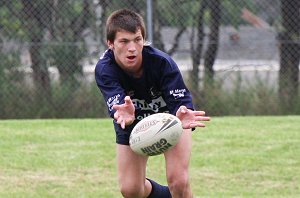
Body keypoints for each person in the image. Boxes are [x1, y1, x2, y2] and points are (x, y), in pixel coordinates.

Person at [95, 8, 210, 198]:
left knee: (179, 182)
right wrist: (125, 114)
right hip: (132, 124)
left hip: (171, 119)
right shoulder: (105, 69)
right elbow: (117, 105)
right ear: (111, 44)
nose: (132, 48)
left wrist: (182, 113)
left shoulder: (162, 63)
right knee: (131, 190)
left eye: (137, 40)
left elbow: (180, 102)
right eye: (124, 41)